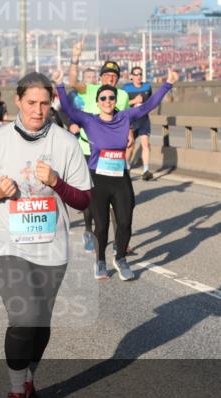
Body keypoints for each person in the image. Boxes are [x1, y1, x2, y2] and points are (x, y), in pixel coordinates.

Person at [0, 72, 92, 398]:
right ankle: (13, 390)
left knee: (40, 322)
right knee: (23, 317)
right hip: (6, 241)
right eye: (31, 103)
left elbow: (84, 200)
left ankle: (28, 383)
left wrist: (56, 182)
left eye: (44, 103)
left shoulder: (66, 144)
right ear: (19, 102)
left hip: (51, 245)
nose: (38, 110)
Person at [57, 63, 175, 281]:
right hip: (98, 178)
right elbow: (68, 108)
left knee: (125, 222)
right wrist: (59, 85)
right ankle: (100, 261)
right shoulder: (89, 120)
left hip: (120, 178)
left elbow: (149, 104)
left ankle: (120, 258)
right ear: (97, 102)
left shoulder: (124, 118)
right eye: (103, 99)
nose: (108, 101)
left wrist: (167, 84)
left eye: (111, 98)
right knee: (101, 226)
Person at [67, 42, 130, 252]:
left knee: (117, 200)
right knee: (92, 197)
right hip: (89, 152)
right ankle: (88, 230)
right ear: (101, 77)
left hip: (112, 156)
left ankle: (120, 241)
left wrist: (128, 135)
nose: (111, 78)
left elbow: (124, 120)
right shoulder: (91, 89)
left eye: (115, 75)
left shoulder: (122, 96)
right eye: (107, 74)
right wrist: (75, 58)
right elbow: (73, 81)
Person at [123, 66, 156, 181]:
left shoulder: (147, 87)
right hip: (131, 120)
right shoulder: (126, 88)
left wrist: (147, 107)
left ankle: (146, 171)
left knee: (145, 144)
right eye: (136, 74)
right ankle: (126, 168)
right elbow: (122, 104)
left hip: (143, 120)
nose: (138, 76)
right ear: (131, 76)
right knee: (130, 146)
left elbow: (151, 102)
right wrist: (134, 101)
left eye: (140, 74)